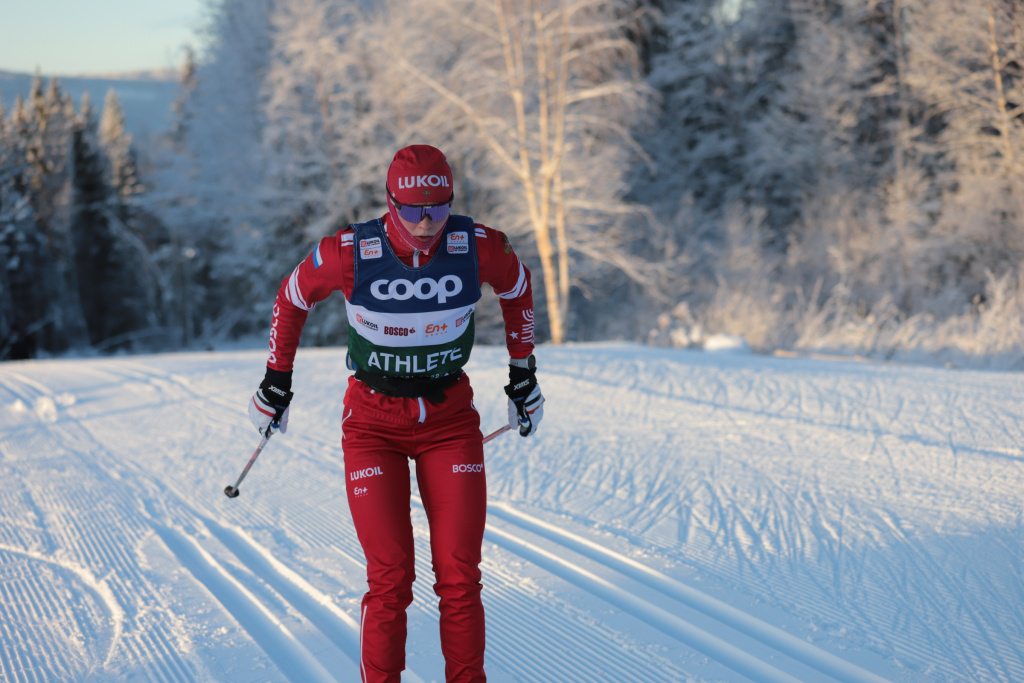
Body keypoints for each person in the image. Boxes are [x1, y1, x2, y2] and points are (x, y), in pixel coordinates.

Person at [248, 144, 544, 683]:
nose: (427, 222)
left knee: (459, 575)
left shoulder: (476, 245)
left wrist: (522, 374)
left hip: (449, 420)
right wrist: (276, 379)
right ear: (390, 203)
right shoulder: (351, 251)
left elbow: (518, 289)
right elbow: (292, 297)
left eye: (438, 207)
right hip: (372, 424)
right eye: (412, 210)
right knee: (390, 578)